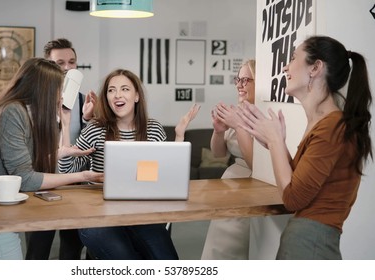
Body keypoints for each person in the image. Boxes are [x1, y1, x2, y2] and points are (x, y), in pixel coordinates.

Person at [240, 36, 372, 259]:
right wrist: (275, 144)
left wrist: (275, 143)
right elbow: (301, 185)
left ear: (315, 68)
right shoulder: (325, 124)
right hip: (306, 241)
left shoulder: (331, 127)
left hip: (310, 244)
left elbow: (292, 198)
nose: (285, 67)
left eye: (292, 58)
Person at [0, 58, 103, 260]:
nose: (60, 96)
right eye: (57, 89)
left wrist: (60, 153)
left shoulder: (13, 109)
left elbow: (19, 163)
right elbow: (26, 179)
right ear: (43, 88)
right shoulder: (12, 113)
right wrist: (81, 175)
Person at [58, 69, 200, 259]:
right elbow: (65, 171)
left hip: (142, 213)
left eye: (125, 89)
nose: (117, 95)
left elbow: (168, 177)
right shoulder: (95, 129)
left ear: (136, 96)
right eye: (111, 90)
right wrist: (66, 126)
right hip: (99, 215)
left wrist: (179, 136)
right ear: (106, 97)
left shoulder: (153, 129)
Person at [25, 38, 97, 260]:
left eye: (72, 62)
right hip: (39, 185)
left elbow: (91, 145)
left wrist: (88, 120)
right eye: (59, 63)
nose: (67, 68)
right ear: (48, 66)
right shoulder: (30, 104)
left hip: (74, 185)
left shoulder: (86, 102)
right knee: (37, 250)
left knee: (72, 250)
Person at [201, 59, 256, 260]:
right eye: (237, 79)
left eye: (246, 80)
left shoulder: (261, 116)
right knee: (217, 247)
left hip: (250, 186)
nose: (239, 85)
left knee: (235, 248)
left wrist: (237, 124)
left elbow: (256, 164)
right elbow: (219, 153)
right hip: (230, 184)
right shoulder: (238, 112)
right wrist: (218, 131)